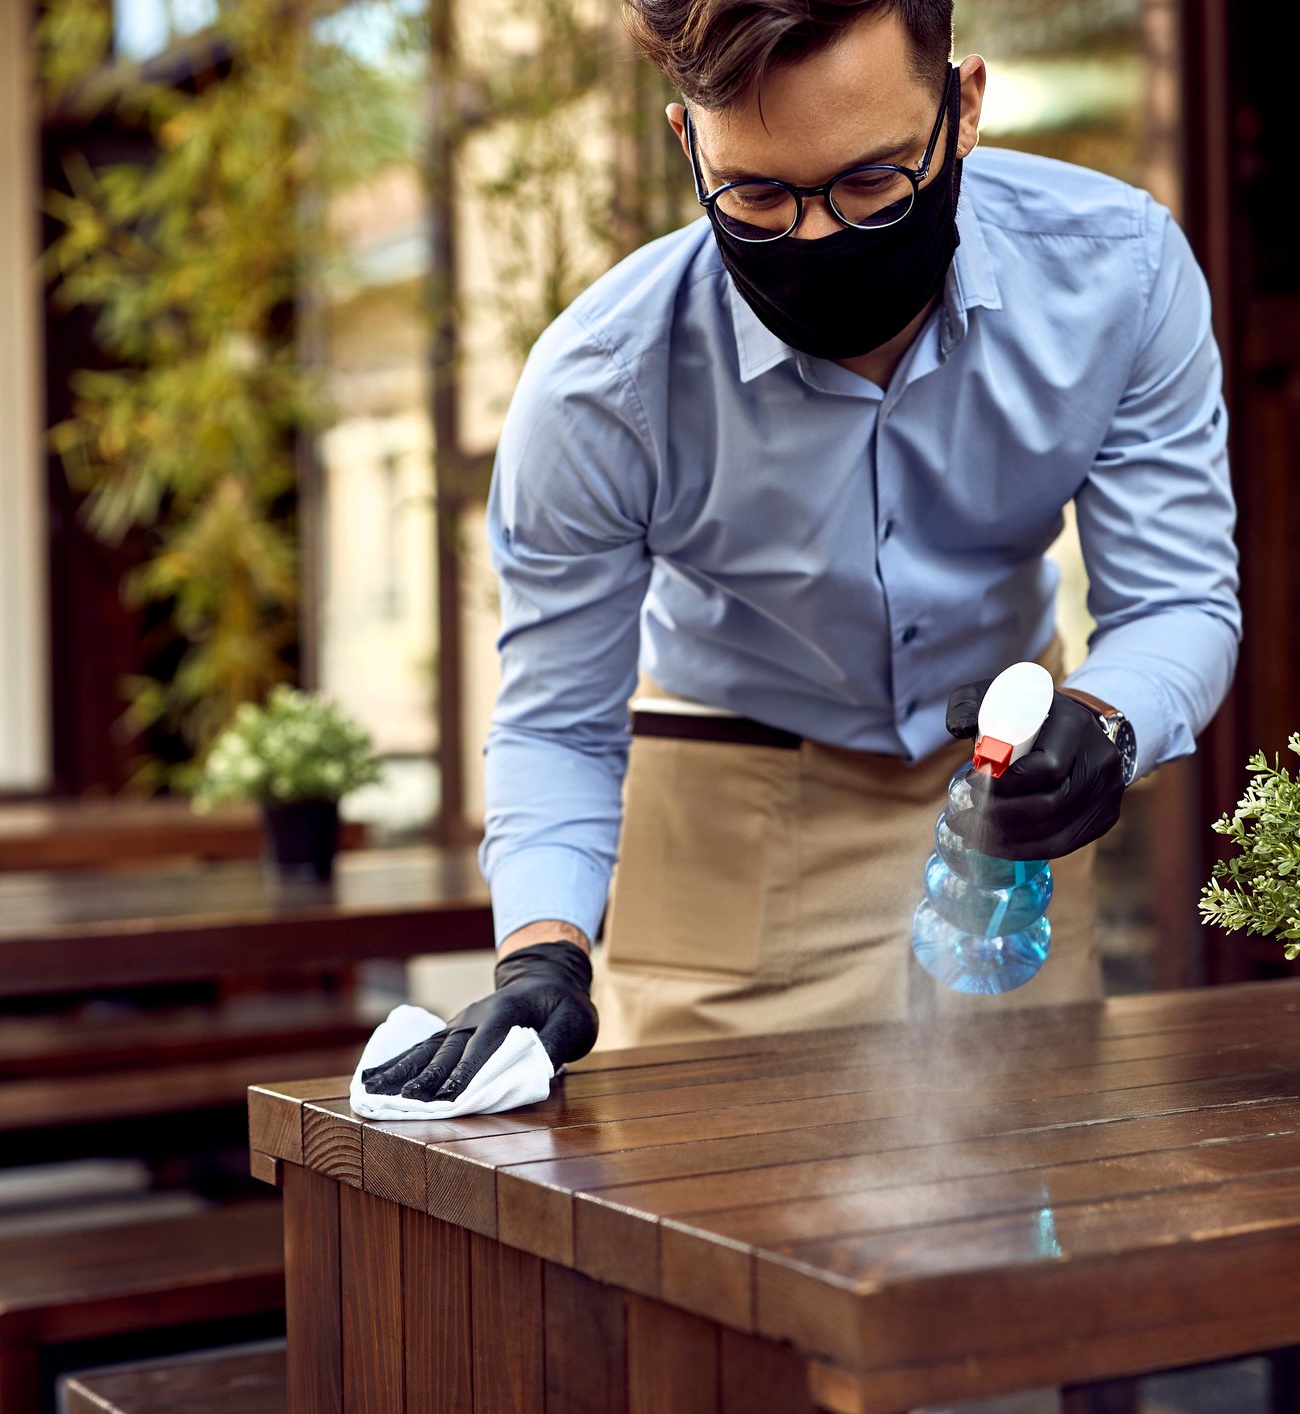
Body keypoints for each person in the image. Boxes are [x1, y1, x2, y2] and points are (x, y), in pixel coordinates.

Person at [363, 0, 1240, 1105]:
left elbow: (1178, 601)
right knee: (696, 1196)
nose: (818, 237)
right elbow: (556, 719)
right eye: (758, 196)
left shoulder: (1120, 276)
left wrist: (1104, 726)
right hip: (729, 828)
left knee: (1029, 1178)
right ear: (688, 141)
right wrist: (542, 951)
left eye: (872, 182)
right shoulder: (603, 384)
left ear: (963, 107)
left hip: (1006, 815)